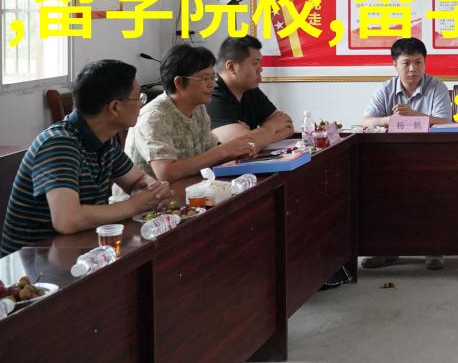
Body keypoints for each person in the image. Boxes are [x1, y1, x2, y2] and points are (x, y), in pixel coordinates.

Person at [1, 60, 172, 256]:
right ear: (115, 107)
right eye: (138, 98)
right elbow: (67, 220)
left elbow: (137, 179)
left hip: (77, 249)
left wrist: (152, 191)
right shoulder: (58, 144)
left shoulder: (104, 139)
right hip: (33, 263)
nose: (142, 103)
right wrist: (135, 205)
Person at [361, 37, 454, 270]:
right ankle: (387, 249)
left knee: (432, 191)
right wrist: (388, 120)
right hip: (391, 155)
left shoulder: (437, 87)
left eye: (418, 62)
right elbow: (366, 121)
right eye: (406, 63)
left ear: (425, 63)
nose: (413, 69)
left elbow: (446, 122)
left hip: (431, 156)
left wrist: (414, 115)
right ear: (395, 65)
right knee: (381, 191)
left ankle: (433, 247)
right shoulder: (385, 89)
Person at [122, 44, 257, 185]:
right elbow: (166, 173)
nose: (212, 84)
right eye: (205, 78)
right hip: (147, 197)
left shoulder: (198, 109)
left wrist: (235, 151)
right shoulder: (155, 116)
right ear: (179, 83)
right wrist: (224, 151)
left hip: (189, 189)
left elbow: (211, 152)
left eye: (213, 77)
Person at [207, 35, 294, 142]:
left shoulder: (250, 89)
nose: (261, 69)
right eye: (255, 63)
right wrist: (271, 127)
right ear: (231, 67)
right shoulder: (211, 96)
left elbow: (287, 126)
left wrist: (257, 136)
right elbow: (244, 145)